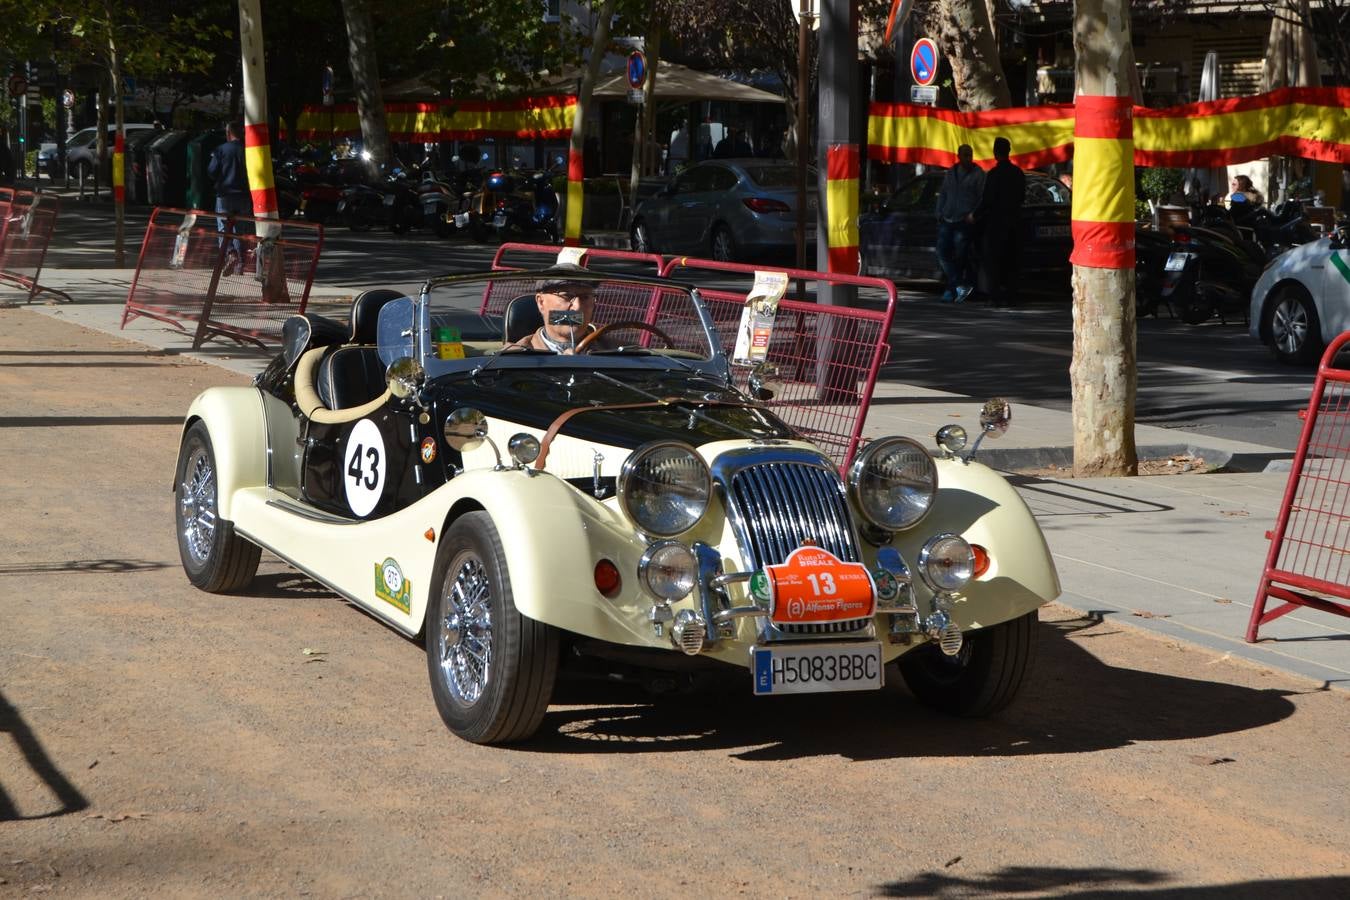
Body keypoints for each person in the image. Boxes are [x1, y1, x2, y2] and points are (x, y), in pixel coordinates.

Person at [505, 267, 613, 354]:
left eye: (585, 297)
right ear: (541, 302)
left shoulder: (618, 352)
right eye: (567, 296)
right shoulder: (513, 358)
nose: (577, 307)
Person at [974, 136, 1026, 308]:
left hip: (996, 224)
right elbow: (1022, 197)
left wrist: (975, 215)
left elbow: (987, 200)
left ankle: (995, 296)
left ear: (995, 153)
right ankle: (1011, 296)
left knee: (994, 261)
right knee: (1012, 261)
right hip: (1015, 223)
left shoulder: (994, 175)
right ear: (1009, 151)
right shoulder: (1018, 173)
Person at [934, 143, 984, 302]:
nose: (968, 158)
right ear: (959, 156)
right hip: (948, 218)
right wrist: (939, 212)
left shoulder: (978, 174)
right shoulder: (951, 172)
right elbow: (943, 193)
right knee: (941, 252)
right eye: (965, 155)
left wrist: (973, 214)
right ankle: (959, 284)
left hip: (964, 220)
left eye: (970, 154)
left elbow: (982, 198)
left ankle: (952, 290)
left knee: (960, 256)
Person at [208, 122, 250, 273]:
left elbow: (212, 171)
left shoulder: (221, 150)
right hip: (244, 195)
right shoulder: (248, 150)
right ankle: (240, 265)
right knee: (241, 229)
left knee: (223, 226)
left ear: (228, 133)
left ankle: (230, 253)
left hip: (225, 194)